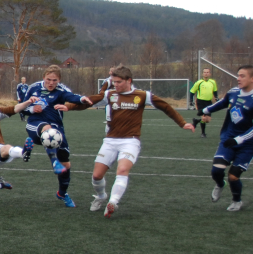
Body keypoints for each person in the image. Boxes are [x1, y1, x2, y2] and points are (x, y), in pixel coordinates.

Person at [71, 65, 194, 218]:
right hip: (110, 141)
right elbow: (87, 102)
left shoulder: (142, 95)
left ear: (128, 80)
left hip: (130, 141)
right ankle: (101, 196)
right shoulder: (109, 94)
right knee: (96, 176)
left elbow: (166, 107)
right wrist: (68, 106)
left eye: (118, 82)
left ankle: (113, 202)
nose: (115, 85)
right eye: (114, 82)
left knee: (122, 170)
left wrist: (182, 123)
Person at [19, 65, 90, 208]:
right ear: (43, 77)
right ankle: (53, 161)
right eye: (48, 79)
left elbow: (72, 97)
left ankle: (62, 193)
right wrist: (32, 109)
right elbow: (21, 108)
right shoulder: (34, 88)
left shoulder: (61, 90)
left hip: (57, 128)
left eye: (54, 80)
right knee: (48, 130)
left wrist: (82, 98)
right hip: (35, 125)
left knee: (66, 164)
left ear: (59, 80)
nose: (51, 83)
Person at [200, 65, 253, 212]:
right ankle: (220, 184)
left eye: (242, 76)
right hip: (229, 138)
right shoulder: (233, 92)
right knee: (216, 171)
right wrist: (206, 110)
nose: (238, 78)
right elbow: (222, 103)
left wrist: (239, 139)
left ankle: (236, 201)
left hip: (249, 144)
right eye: (238, 75)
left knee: (233, 176)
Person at [190, 68, 219, 138]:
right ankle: (203, 133)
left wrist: (216, 98)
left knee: (208, 120)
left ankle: (196, 121)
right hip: (200, 102)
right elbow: (192, 91)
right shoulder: (198, 82)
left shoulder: (213, 82)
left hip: (209, 102)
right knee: (203, 117)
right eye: (204, 72)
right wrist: (191, 100)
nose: (206, 73)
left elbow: (215, 91)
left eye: (207, 72)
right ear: (202, 74)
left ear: (210, 74)